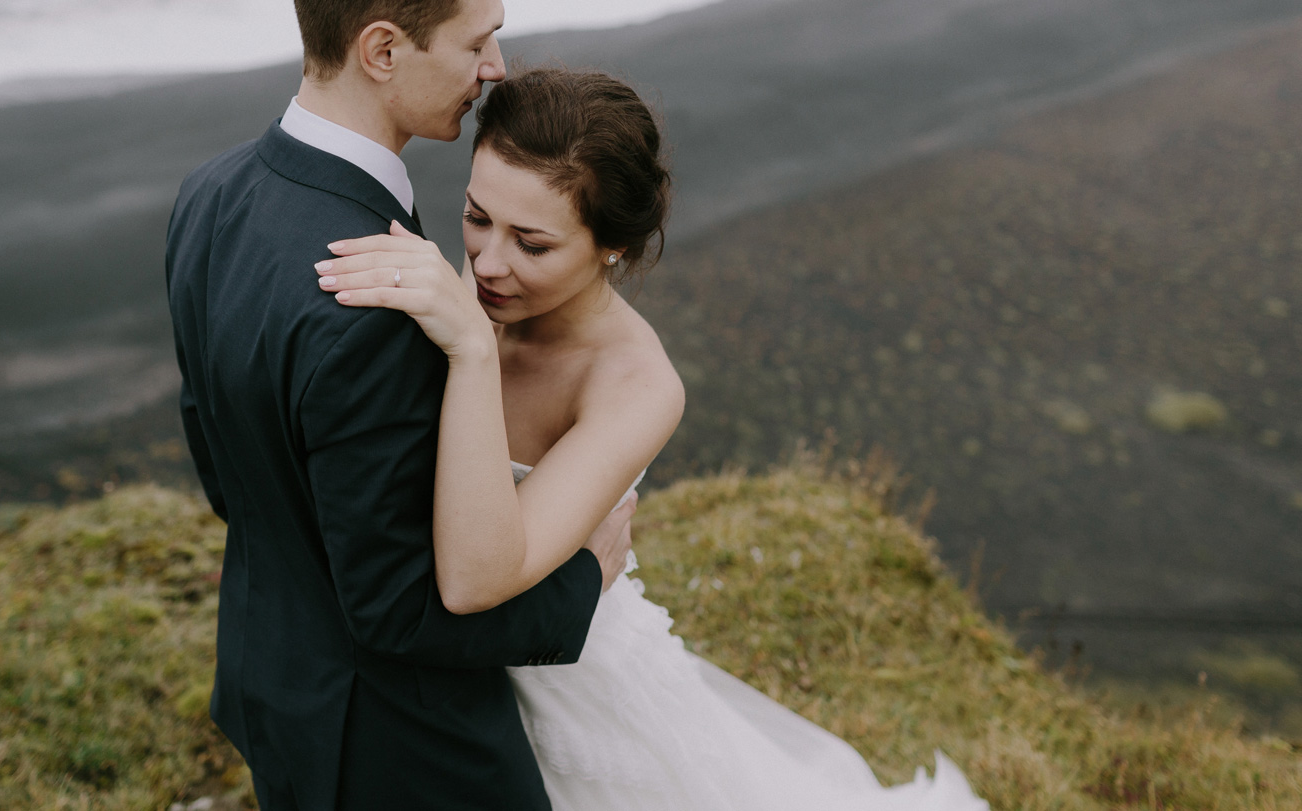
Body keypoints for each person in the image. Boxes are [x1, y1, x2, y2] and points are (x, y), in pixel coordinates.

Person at [317, 66, 991, 810]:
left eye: (533, 244)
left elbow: (478, 578)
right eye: (477, 216)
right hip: (428, 683)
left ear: (610, 245)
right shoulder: (471, 289)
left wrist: (472, 349)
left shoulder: (637, 385)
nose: (486, 261)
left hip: (575, 695)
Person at [164, 0, 636, 811]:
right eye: (476, 39)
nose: (495, 66)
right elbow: (399, 607)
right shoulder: (380, 297)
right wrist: (587, 575)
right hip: (399, 751)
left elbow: (229, 473)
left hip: (273, 681)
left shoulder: (209, 197)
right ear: (383, 48)